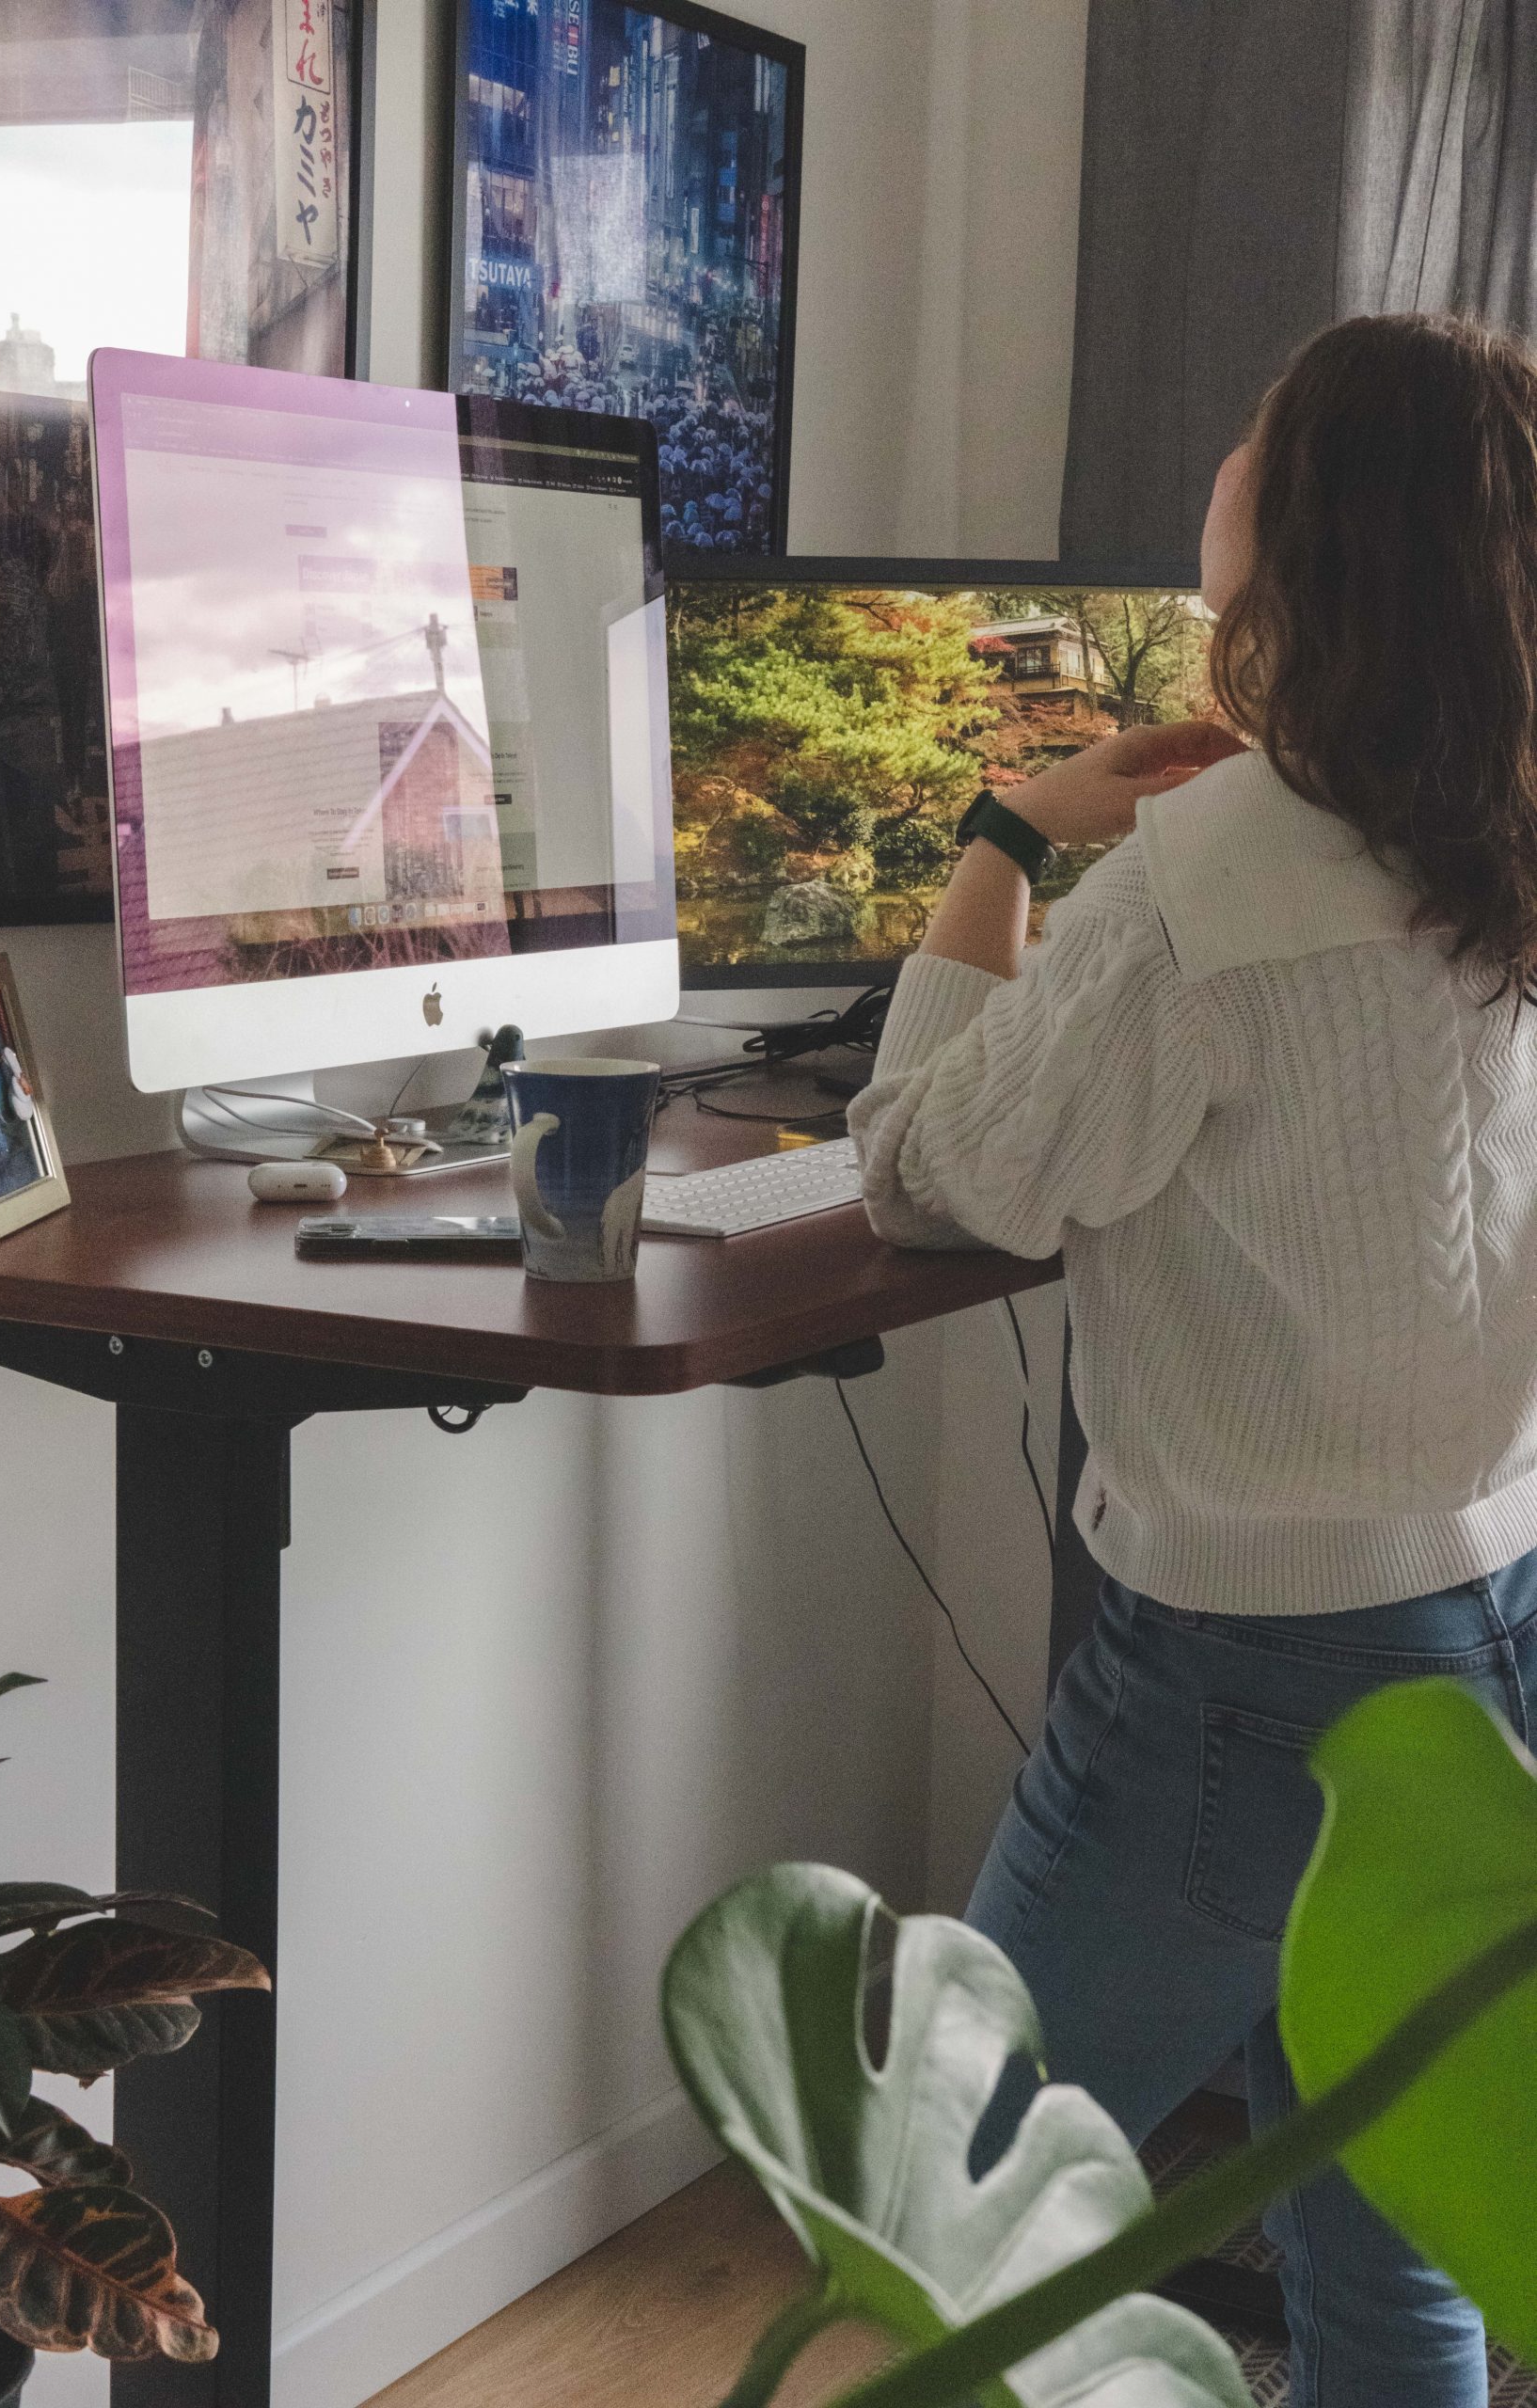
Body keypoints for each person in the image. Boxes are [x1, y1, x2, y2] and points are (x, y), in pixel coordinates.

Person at [850, 312, 1537, 2408]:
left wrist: (1000, 828)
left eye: (1251, 425)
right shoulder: (1497, 840)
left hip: (1238, 1694)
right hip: (1487, 1624)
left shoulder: (1200, 886)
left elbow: (919, 1175)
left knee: (930, 2215)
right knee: (1382, 2249)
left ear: (1293, 532)